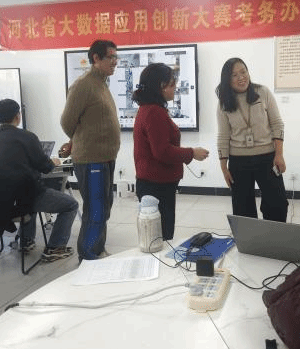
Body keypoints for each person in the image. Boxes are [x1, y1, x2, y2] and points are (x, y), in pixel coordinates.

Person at [0, 99, 78, 262]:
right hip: (28, 197)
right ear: (18, 116)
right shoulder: (27, 137)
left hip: (2, 200)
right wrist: (52, 162)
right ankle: (55, 248)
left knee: (24, 192)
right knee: (71, 205)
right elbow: (45, 167)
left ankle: (25, 241)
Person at [132, 63, 209, 240]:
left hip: (154, 183)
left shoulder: (149, 108)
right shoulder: (154, 112)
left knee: (157, 236)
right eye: (172, 84)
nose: (175, 88)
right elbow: (162, 152)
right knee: (160, 238)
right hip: (156, 185)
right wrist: (192, 153)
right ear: (161, 86)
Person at [60, 39, 121, 261]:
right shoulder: (83, 85)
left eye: (116, 57)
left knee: (103, 208)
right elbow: (67, 121)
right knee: (96, 210)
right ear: (96, 58)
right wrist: (78, 140)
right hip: (92, 160)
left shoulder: (101, 83)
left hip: (105, 158)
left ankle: (97, 250)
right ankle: (88, 256)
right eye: (110, 57)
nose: (115, 62)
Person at [216, 58, 288, 221]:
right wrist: (223, 167)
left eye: (243, 72)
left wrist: (279, 154)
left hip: (267, 158)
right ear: (227, 79)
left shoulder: (262, 92)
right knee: (243, 210)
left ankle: (274, 236)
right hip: (239, 161)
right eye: (234, 75)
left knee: (277, 204)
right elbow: (223, 136)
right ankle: (250, 238)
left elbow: (277, 124)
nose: (241, 77)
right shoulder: (224, 102)